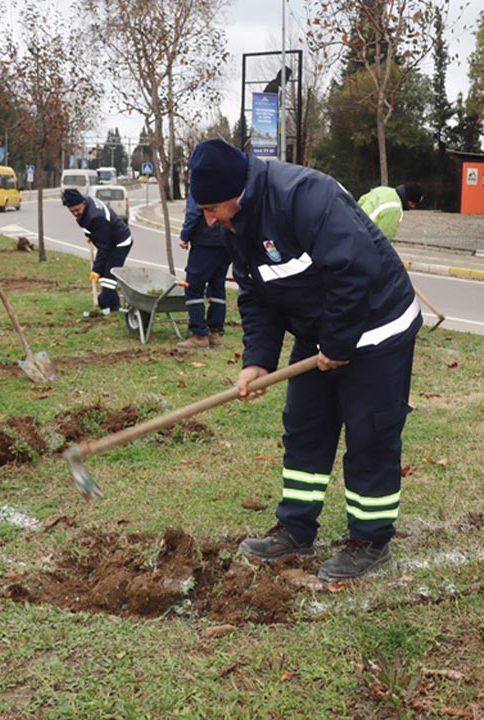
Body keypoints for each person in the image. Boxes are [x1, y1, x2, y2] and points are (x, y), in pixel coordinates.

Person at [187, 138, 421, 582]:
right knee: (305, 427)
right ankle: (295, 528)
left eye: (213, 207)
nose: (209, 219)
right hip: (322, 331)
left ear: (238, 193)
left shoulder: (304, 195)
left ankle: (370, 542)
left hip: (378, 324)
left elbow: (355, 269)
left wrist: (338, 344)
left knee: (370, 434)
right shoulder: (233, 226)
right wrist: (258, 360)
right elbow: (256, 295)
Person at [62, 188, 132, 316]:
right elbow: (89, 227)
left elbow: (104, 248)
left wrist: (96, 270)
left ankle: (107, 305)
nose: (76, 213)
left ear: (83, 203)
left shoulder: (97, 216)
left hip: (120, 242)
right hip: (109, 239)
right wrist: (91, 235)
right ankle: (111, 305)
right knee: (106, 274)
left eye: (77, 210)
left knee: (109, 275)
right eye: (72, 211)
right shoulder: (86, 205)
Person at [175, 193, 231, 349]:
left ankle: (199, 335)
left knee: (193, 288)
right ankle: (215, 333)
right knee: (218, 287)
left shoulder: (201, 181)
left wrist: (185, 236)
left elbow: (194, 212)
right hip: (225, 240)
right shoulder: (226, 179)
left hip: (205, 240)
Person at [356, 181, 423, 242]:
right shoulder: (395, 209)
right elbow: (384, 237)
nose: (413, 207)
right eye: (413, 203)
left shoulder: (382, 189)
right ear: (408, 198)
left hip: (353, 226)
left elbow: (361, 201)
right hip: (363, 238)